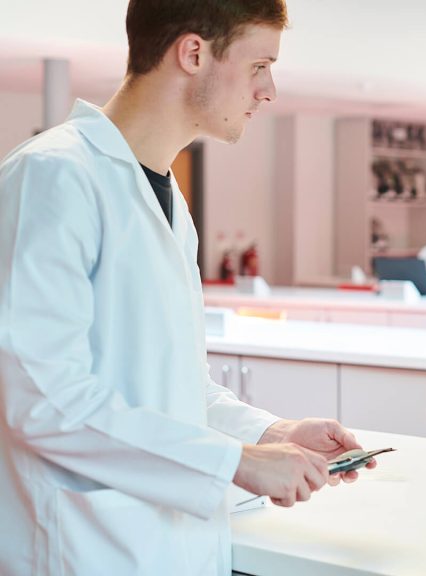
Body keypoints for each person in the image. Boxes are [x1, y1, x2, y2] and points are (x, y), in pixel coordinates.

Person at [0, 1, 373, 574]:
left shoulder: (167, 198)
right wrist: (233, 460)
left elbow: (172, 387)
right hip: (84, 547)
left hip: (170, 542)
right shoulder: (54, 175)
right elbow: (42, 399)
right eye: (259, 66)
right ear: (194, 53)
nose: (269, 90)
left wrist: (272, 432)